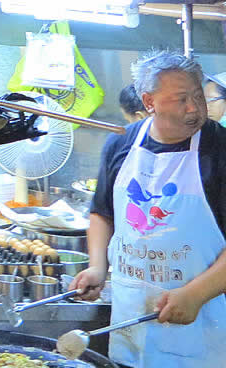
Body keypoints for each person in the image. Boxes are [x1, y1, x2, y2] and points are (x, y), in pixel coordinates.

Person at [70, 51, 226, 368]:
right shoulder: (120, 143)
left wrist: (196, 294)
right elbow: (102, 213)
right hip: (130, 324)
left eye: (198, 95)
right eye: (181, 99)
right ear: (149, 101)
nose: (195, 108)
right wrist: (97, 266)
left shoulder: (220, 150)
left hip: (201, 327)